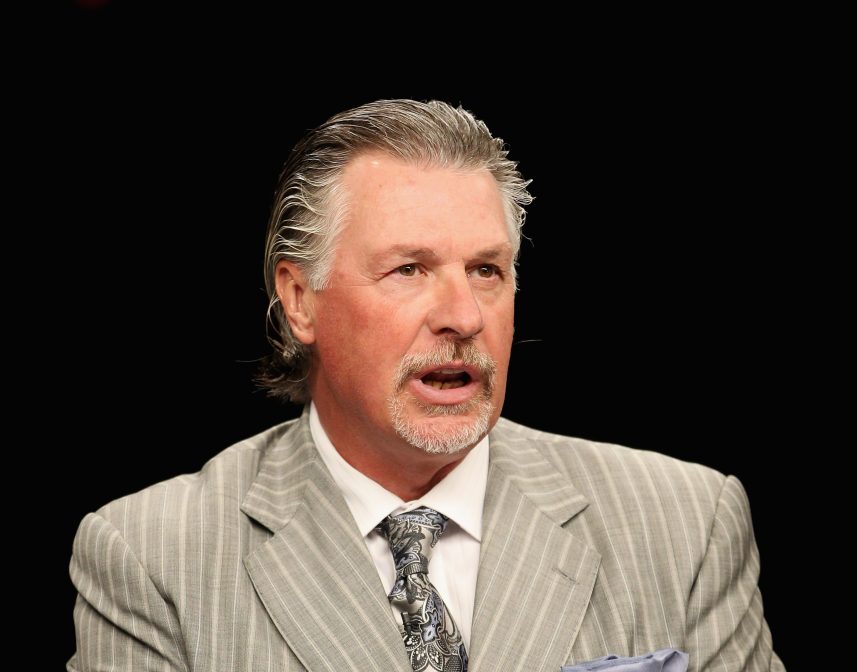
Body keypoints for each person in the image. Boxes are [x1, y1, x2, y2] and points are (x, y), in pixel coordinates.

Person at [68, 99, 784, 672]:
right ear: (300, 299)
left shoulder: (687, 525)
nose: (463, 316)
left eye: (486, 271)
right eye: (409, 269)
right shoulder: (153, 556)